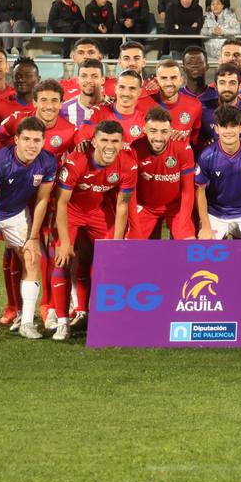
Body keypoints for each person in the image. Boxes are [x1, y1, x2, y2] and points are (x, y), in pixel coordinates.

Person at [52, 120, 135, 338]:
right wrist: (65, 242)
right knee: (63, 258)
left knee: (107, 259)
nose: (110, 146)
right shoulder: (76, 161)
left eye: (115, 141)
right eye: (104, 140)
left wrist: (116, 244)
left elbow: (123, 204)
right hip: (70, 210)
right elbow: (60, 203)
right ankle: (62, 322)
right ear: (94, 141)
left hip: (98, 211)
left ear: (122, 143)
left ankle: (99, 316)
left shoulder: (128, 163)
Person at [194, 105, 241, 238]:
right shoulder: (206, 155)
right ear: (216, 129)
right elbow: (200, 192)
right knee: (205, 246)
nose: (228, 131)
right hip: (215, 213)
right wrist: (205, 226)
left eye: (233, 126)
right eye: (224, 126)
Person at [127, 105, 197, 241]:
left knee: (188, 244)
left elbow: (188, 190)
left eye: (164, 132)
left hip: (175, 206)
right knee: (131, 248)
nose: (159, 138)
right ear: (144, 130)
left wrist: (183, 224)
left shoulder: (182, 147)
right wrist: (134, 227)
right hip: (145, 207)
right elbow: (131, 191)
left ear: (171, 131)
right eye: (153, 131)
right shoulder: (135, 149)